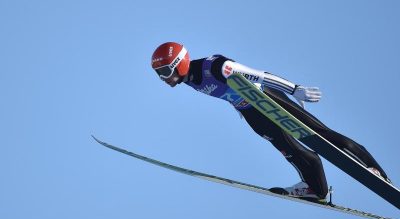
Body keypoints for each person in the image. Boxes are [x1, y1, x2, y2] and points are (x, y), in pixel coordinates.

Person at [150, 41, 391, 202]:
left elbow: (261, 75)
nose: (163, 79)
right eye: (159, 75)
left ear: (178, 64)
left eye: (164, 73)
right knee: (289, 150)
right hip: (250, 112)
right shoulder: (188, 80)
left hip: (266, 98)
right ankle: (316, 189)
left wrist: (295, 89)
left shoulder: (215, 66)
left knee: (320, 134)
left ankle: (372, 168)